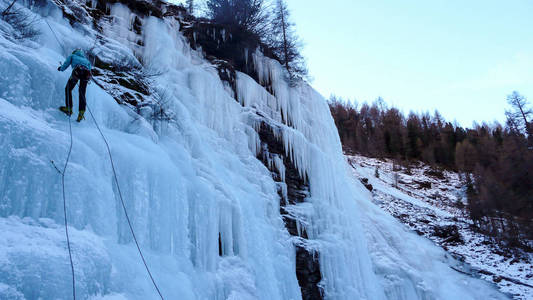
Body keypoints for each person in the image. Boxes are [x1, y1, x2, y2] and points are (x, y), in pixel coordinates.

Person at [57, 49, 92, 122]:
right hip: (86, 75)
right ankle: (81, 112)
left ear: (74, 52)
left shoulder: (72, 56)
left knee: (68, 89)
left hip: (77, 73)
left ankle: (69, 108)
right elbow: (90, 69)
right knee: (82, 93)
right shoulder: (86, 60)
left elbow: (66, 64)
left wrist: (61, 69)